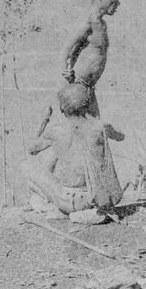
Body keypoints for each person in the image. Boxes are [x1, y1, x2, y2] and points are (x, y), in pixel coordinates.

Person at [26, 83, 123, 216]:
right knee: (60, 151)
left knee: (29, 170)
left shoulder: (55, 132)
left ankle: (50, 205)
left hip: (71, 202)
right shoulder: (100, 127)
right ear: (87, 106)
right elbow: (121, 136)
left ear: (61, 108)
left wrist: (44, 119)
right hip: (99, 199)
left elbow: (31, 149)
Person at [58, 0, 120, 118]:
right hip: (77, 89)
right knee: (86, 133)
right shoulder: (87, 22)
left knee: (98, 135)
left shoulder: (101, 24)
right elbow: (66, 49)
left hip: (88, 89)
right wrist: (64, 70)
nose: (117, 4)